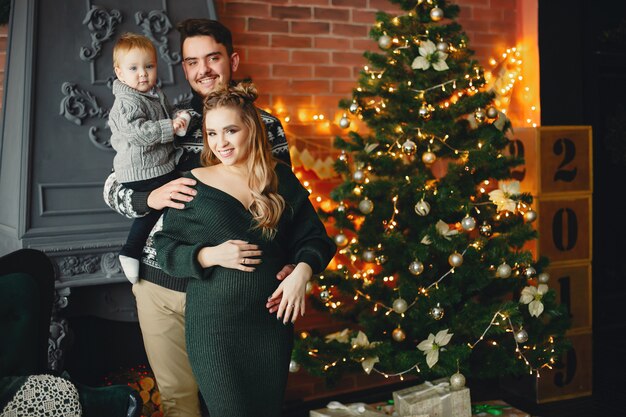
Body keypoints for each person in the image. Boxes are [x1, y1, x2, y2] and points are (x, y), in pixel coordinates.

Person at [103, 19, 291, 417]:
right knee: (178, 402)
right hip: (160, 281)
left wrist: (292, 262)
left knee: (230, 401)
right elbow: (112, 186)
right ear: (184, 69)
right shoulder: (169, 121)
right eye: (191, 62)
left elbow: (283, 205)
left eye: (213, 58)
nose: (202, 69)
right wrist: (148, 197)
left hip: (228, 287)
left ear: (232, 60)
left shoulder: (266, 127)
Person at [153, 82, 336, 417]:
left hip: (270, 325)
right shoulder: (192, 183)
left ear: (250, 129)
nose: (220, 143)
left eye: (230, 130)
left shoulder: (280, 178)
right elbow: (163, 247)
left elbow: (315, 239)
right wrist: (208, 255)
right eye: (211, 133)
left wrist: (302, 273)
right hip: (215, 328)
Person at [109, 33, 189, 283]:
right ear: (120, 73)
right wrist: (170, 128)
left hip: (157, 165)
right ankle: (130, 251)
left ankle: (158, 250)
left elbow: (167, 112)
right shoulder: (126, 102)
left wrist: (180, 117)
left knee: (175, 197)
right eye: (134, 68)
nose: (143, 74)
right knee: (168, 199)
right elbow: (138, 132)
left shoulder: (154, 93)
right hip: (141, 171)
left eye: (149, 66)